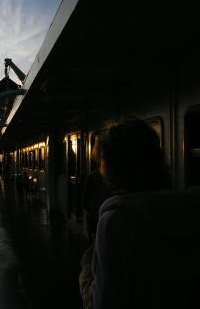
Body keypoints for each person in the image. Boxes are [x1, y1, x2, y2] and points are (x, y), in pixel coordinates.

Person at [79, 118, 200, 309]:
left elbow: (102, 304)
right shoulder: (191, 209)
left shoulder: (115, 222)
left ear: (112, 169)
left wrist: (86, 272)